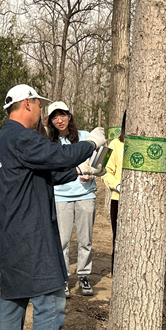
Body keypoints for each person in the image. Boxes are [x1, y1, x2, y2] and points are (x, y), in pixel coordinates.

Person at [0, 84, 106, 330]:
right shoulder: (21, 136)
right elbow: (55, 154)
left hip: (10, 235)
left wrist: (79, 170)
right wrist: (90, 144)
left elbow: (45, 172)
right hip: (32, 235)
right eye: (38, 106)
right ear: (27, 104)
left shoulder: (3, 140)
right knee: (49, 303)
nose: (41, 111)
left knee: (12, 301)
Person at [44, 101, 102, 297]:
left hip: (86, 194)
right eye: (54, 117)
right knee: (62, 241)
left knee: (86, 239)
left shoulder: (85, 137)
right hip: (60, 196)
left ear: (70, 116)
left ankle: (84, 275)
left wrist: (92, 174)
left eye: (62, 115)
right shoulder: (49, 143)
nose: (59, 120)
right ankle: (63, 278)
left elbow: (101, 161)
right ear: (50, 121)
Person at [101, 113, 125, 274]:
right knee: (118, 237)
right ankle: (116, 270)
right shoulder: (114, 144)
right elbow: (104, 169)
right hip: (119, 199)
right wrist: (116, 185)